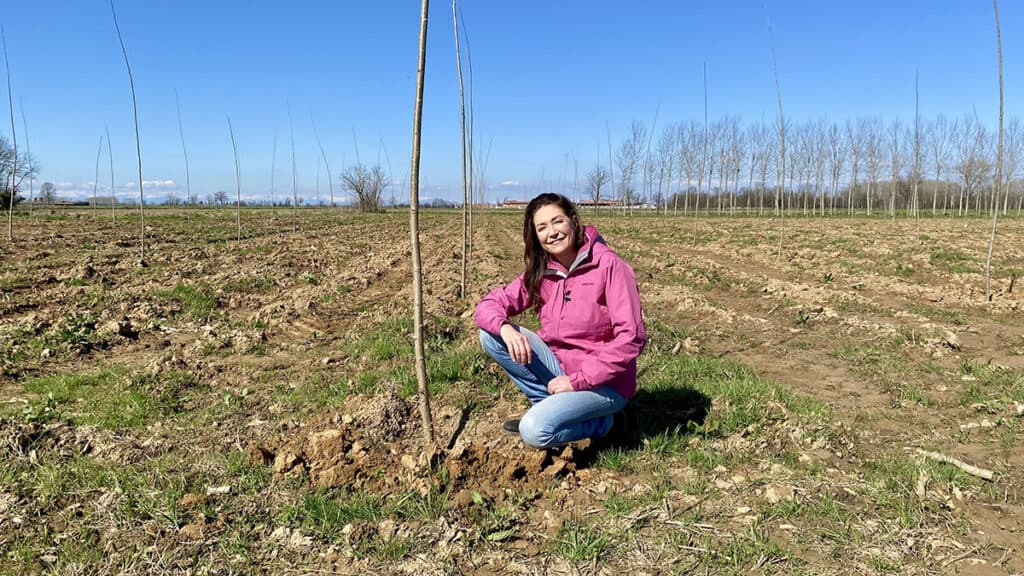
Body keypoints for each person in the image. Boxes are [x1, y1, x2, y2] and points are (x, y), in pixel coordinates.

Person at [475, 193, 646, 449]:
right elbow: (487, 306)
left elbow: (631, 339)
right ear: (535, 236)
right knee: (491, 335)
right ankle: (546, 405)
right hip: (559, 372)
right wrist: (505, 328)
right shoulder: (542, 271)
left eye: (558, 222)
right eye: (542, 227)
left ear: (573, 222)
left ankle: (606, 424)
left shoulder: (610, 266)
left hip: (603, 384)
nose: (552, 232)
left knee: (533, 431)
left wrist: (577, 381)